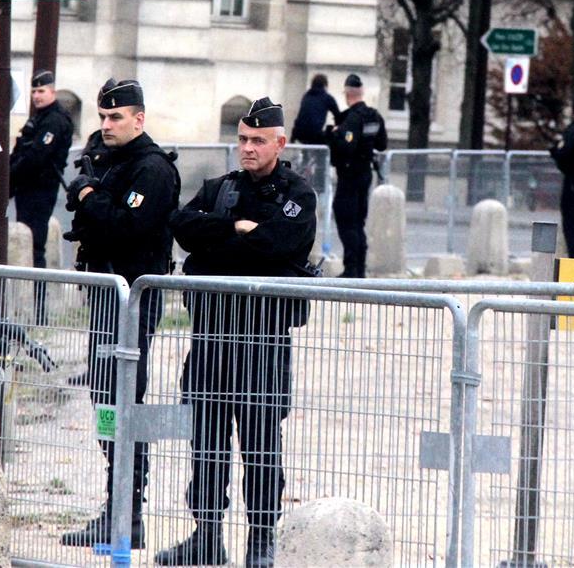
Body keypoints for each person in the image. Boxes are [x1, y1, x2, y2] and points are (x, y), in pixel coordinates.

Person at [156, 98, 318, 568]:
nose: (247, 149)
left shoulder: (297, 194)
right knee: (206, 443)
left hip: (263, 343)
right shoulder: (219, 188)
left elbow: (279, 244)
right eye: (243, 139)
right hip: (210, 340)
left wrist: (222, 245)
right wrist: (235, 228)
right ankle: (206, 535)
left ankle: (261, 540)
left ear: (279, 143)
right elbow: (183, 226)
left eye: (257, 141)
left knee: (262, 446)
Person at [60, 77, 180, 550]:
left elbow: (127, 227)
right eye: (103, 117)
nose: (107, 125)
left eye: (116, 117)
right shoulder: (111, 163)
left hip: (132, 299)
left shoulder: (151, 169)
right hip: (108, 299)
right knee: (105, 396)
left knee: (125, 399)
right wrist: (89, 194)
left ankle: (128, 512)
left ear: (139, 119)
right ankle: (116, 506)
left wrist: (91, 197)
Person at [9, 69, 74, 324]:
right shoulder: (40, 118)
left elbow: (36, 157)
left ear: (52, 92)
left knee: (36, 247)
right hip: (27, 189)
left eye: (42, 91)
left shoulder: (55, 120)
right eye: (34, 91)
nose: (37, 95)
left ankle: (40, 311)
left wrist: (11, 175)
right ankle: (34, 310)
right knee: (29, 243)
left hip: (40, 190)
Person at [325, 73, 387, 278]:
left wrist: (334, 134)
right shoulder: (374, 116)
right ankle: (359, 269)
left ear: (347, 94)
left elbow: (347, 146)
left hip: (350, 175)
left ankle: (351, 269)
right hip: (365, 173)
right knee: (358, 222)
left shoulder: (352, 118)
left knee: (346, 220)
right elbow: (382, 144)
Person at [550, 100, 574, 257]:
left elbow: (564, 154)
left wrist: (555, 152)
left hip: (573, 186)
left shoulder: (573, 131)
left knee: (572, 231)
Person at [290, 72, 340, 145]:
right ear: (325, 85)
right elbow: (338, 115)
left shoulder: (306, 96)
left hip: (300, 134)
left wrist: (293, 137)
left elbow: (300, 117)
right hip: (315, 135)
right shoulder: (327, 98)